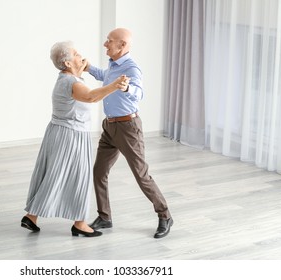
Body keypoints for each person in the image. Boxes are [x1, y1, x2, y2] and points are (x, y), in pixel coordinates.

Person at [21, 41, 130, 238]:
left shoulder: (65, 78)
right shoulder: (72, 83)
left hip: (59, 132)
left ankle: (32, 216)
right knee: (79, 177)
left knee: (53, 175)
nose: (81, 55)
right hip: (71, 135)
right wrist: (115, 85)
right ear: (68, 63)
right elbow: (90, 97)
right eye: (76, 54)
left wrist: (86, 70)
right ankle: (79, 223)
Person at [84, 28, 173, 239]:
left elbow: (139, 94)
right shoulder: (113, 66)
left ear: (122, 45)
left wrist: (126, 89)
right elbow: (105, 77)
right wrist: (88, 68)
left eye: (109, 41)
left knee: (141, 175)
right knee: (99, 172)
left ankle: (165, 215)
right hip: (110, 127)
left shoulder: (132, 69)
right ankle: (104, 216)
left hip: (127, 128)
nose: (105, 44)